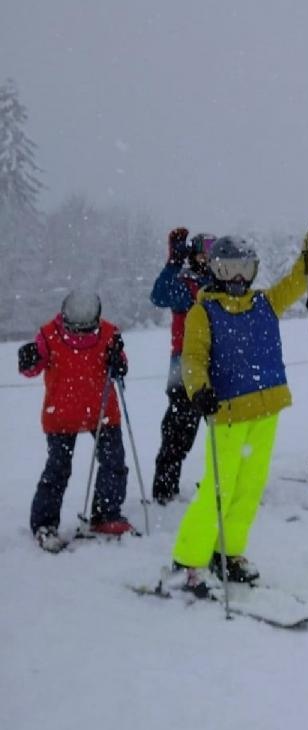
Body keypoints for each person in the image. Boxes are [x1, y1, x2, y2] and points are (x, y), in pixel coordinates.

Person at [170, 199, 308, 597]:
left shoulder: (266, 303)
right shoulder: (202, 312)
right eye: (229, 269)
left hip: (266, 409)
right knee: (219, 488)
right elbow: (192, 357)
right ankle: (190, 559)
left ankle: (229, 553)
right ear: (215, 270)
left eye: (245, 269)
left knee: (250, 486)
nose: (238, 277)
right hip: (226, 412)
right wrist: (199, 389)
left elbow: (303, 276)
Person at [19, 291, 132, 552]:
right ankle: (44, 524)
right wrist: (29, 360)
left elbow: (121, 365)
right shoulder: (49, 335)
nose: (80, 332)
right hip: (62, 415)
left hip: (102, 410)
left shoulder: (109, 333)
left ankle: (106, 514)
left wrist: (119, 363)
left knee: (113, 463)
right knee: (58, 469)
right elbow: (32, 368)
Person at [149, 228, 213, 504]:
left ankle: (221, 481)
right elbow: (159, 295)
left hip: (218, 363)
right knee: (178, 429)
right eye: (202, 253)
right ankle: (165, 489)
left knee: (226, 428)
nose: (207, 259)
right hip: (184, 365)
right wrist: (173, 263)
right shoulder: (183, 283)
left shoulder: (220, 284)